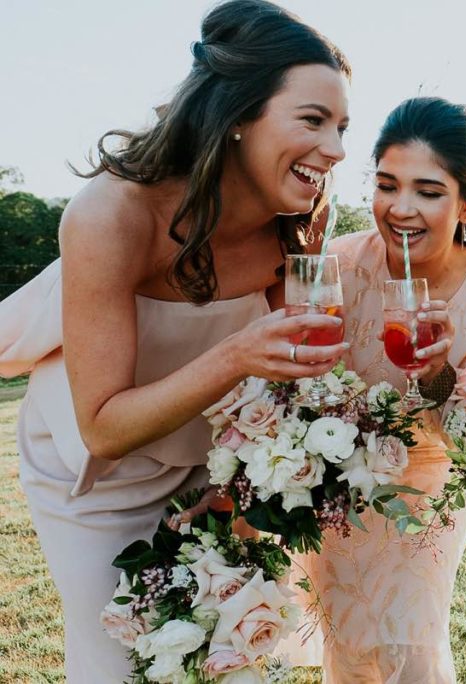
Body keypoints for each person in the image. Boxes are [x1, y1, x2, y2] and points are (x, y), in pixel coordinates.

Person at [0, 1, 351, 679]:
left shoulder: (302, 212)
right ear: (240, 117)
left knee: (230, 647)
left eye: (341, 127)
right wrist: (237, 355)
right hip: (95, 469)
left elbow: (291, 390)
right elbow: (101, 426)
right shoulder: (112, 213)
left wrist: (239, 494)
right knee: (122, 661)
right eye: (312, 121)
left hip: (212, 455)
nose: (335, 150)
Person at [301, 96, 466, 683]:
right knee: (348, 649)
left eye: (427, 191)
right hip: (338, 493)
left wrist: (436, 374)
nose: (401, 209)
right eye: (386, 185)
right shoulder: (339, 264)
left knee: (408, 648)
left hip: (428, 496)